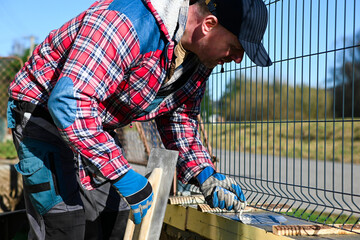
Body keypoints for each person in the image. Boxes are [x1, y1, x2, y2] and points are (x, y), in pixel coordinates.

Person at [7, 0, 272, 239]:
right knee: (65, 225)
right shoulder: (127, 23)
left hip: (93, 123)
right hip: (43, 115)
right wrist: (122, 173)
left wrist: (204, 174)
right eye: (236, 47)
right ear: (209, 25)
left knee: (117, 216)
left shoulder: (198, 62)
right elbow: (70, 101)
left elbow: (179, 119)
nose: (237, 59)